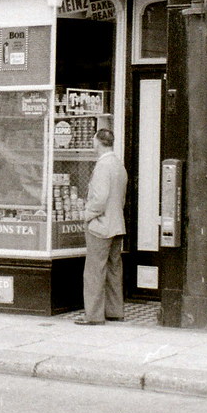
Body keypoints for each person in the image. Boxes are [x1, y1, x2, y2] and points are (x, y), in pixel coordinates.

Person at [74, 128, 128, 325]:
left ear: (97, 143)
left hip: (100, 225)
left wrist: (87, 215)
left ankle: (94, 315)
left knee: (94, 270)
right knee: (114, 269)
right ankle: (115, 311)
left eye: (93, 141)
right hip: (116, 224)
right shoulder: (118, 165)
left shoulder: (103, 166)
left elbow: (100, 197)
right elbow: (119, 197)